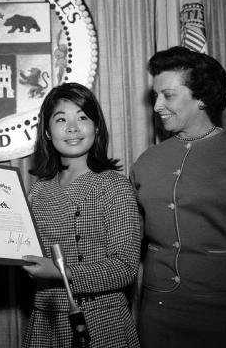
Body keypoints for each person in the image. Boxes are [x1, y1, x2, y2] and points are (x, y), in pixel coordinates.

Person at [130, 46, 226, 348]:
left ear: (200, 97)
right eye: (155, 96)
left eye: (168, 95)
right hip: (160, 317)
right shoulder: (146, 162)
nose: (157, 105)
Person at [21, 82, 141, 348]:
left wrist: (61, 272)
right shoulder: (38, 190)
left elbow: (125, 268)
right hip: (46, 320)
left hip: (100, 321)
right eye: (61, 119)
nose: (72, 127)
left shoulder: (114, 185)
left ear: (97, 127)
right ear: (48, 133)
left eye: (83, 117)